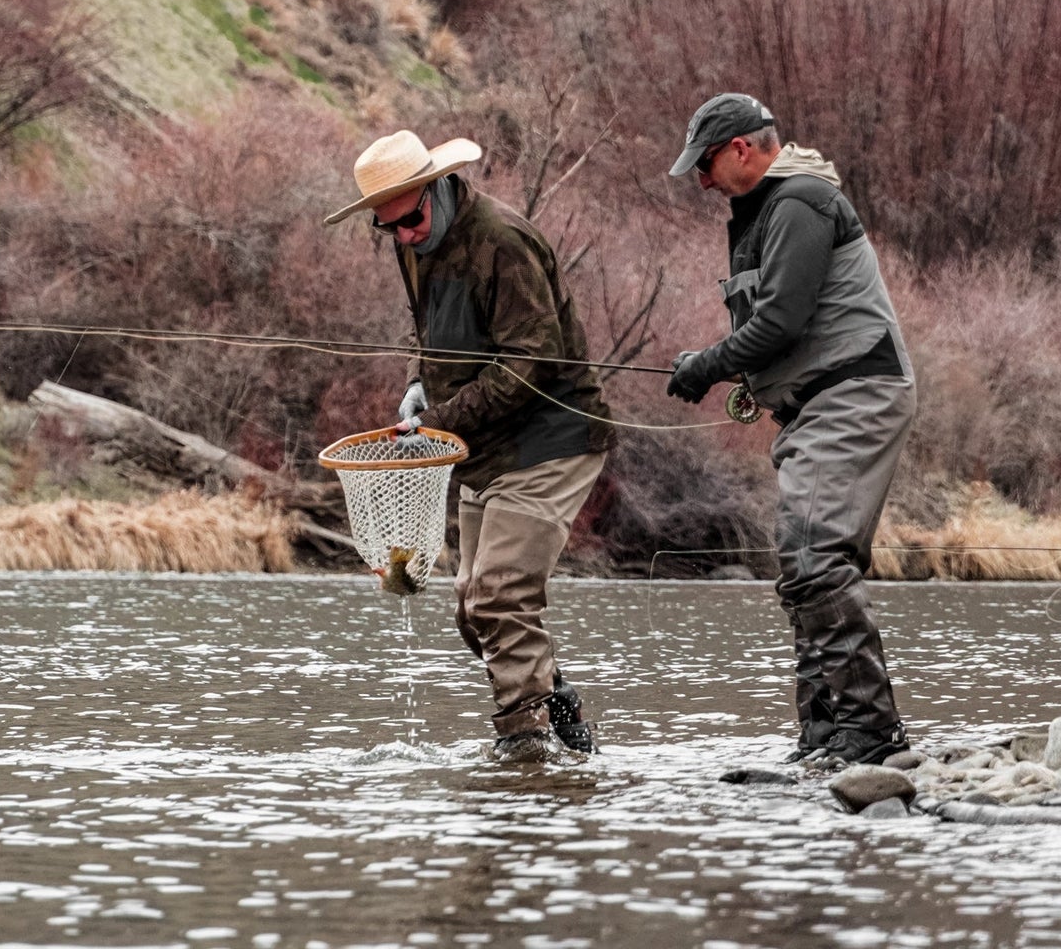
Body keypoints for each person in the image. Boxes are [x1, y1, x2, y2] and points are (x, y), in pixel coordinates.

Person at [325, 130, 614, 762]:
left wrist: (442, 421)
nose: (405, 237)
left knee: (500, 595)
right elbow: (422, 330)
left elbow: (531, 361)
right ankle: (553, 699)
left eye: (412, 221)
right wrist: (417, 383)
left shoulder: (503, 242)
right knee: (471, 611)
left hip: (554, 438)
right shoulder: (414, 244)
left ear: (436, 190)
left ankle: (525, 746)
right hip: (482, 447)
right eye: (389, 229)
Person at [665, 93, 917, 768]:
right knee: (805, 569)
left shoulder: (800, 200)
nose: (702, 180)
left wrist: (706, 368)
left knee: (814, 563)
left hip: (854, 394)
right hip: (820, 404)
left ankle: (873, 735)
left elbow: (781, 322)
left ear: (742, 149)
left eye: (707, 164)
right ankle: (824, 737)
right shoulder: (769, 210)